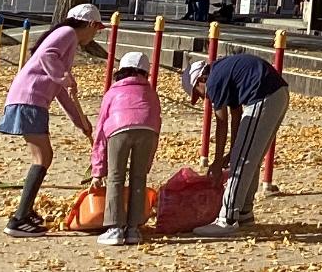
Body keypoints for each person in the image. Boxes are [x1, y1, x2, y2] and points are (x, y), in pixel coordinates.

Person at [0, 3, 102, 237]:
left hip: (32, 100)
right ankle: (19, 219)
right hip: (29, 100)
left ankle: (26, 212)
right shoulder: (67, 33)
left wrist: (81, 122)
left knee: (44, 156)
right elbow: (47, 56)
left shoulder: (68, 40)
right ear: (89, 25)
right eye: (96, 29)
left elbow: (61, 92)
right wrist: (64, 76)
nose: (95, 34)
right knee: (43, 156)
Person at [182, 50, 292, 235]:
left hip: (263, 96)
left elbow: (222, 123)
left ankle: (228, 218)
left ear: (201, 80)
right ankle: (244, 213)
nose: (203, 98)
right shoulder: (223, 72)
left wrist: (217, 161)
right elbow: (236, 116)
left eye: (197, 93)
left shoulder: (214, 81)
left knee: (242, 162)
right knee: (250, 157)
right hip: (278, 94)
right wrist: (232, 150)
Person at [90, 52, 161, 248]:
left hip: (118, 129)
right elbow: (156, 125)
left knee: (115, 177)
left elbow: (101, 130)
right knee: (138, 177)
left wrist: (97, 170)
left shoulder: (113, 92)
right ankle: (133, 228)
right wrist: (147, 163)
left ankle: (114, 227)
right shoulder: (151, 93)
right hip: (147, 130)